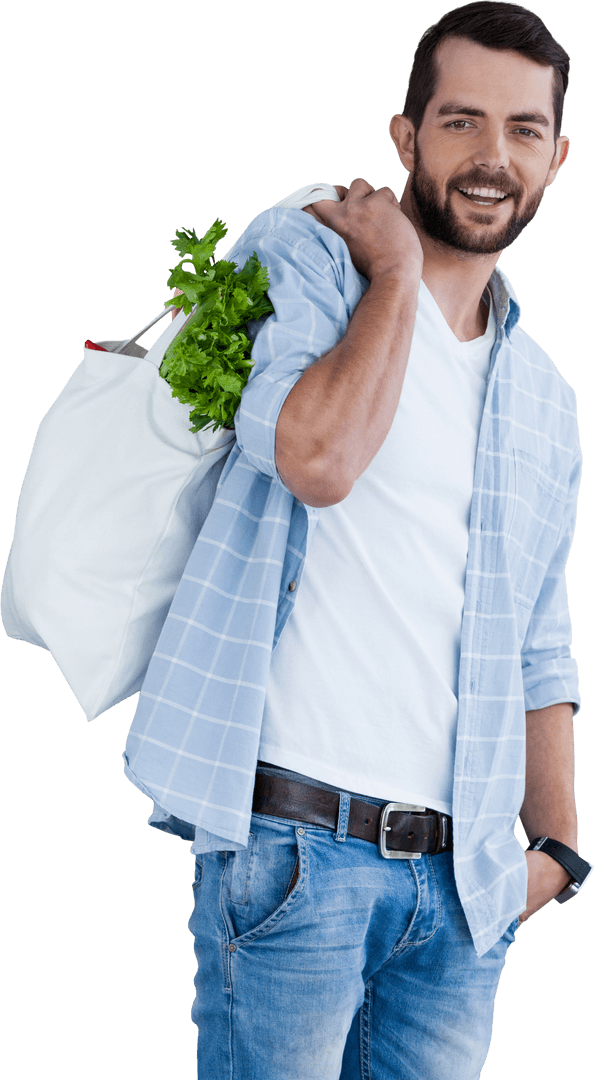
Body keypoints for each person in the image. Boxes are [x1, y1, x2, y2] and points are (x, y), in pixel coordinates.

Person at [123, 3, 591, 1076]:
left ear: (556, 160)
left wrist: (558, 851)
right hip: (298, 853)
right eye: (462, 120)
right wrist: (392, 278)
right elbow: (316, 462)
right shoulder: (318, 260)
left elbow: (540, 640)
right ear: (407, 136)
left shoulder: (546, 399)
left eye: (523, 131)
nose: (491, 157)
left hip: (465, 887)